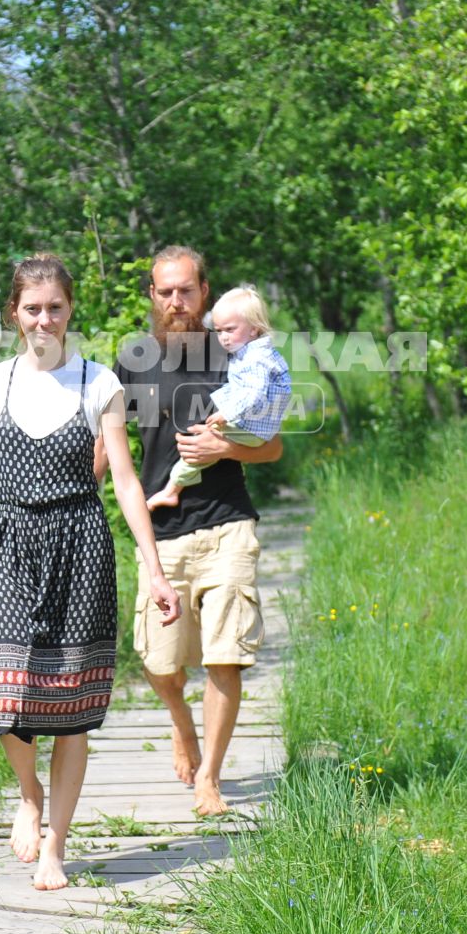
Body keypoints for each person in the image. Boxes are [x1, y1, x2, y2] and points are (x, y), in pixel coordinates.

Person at [0, 253, 181, 891]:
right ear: (15, 313)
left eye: (55, 308)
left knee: (70, 707)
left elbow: (123, 478)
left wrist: (154, 569)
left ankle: (55, 849)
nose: (44, 319)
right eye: (32, 308)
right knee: (7, 699)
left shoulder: (99, 385)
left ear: (70, 310)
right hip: (12, 544)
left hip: (81, 546)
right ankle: (29, 796)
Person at [109, 246, 283, 817]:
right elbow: (106, 450)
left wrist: (223, 447)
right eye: (166, 292)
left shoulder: (234, 351)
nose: (177, 302)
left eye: (187, 290)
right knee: (161, 665)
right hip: (161, 536)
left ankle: (210, 775)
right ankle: (182, 725)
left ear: (204, 292)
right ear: (152, 297)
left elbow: (273, 446)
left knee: (225, 657)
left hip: (228, 522)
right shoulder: (133, 359)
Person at [144, 285, 291, 512]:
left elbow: (254, 393)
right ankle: (173, 489)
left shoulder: (257, 359)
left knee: (200, 445)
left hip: (253, 428)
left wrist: (226, 413)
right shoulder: (250, 351)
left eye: (230, 330)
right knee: (203, 442)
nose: (223, 338)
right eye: (219, 330)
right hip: (254, 425)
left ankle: (171, 491)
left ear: (254, 329)